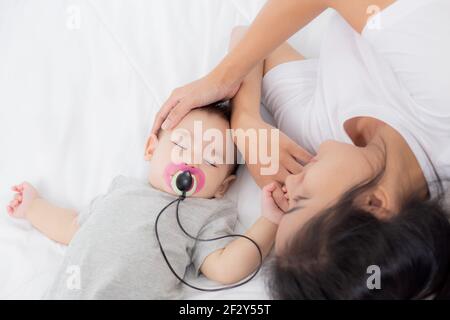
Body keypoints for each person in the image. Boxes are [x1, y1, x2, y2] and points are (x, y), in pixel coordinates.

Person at [152, 0, 450, 299]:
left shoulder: (313, 141)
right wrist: (221, 79)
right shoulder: (440, 107)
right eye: (302, 199)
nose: (289, 183)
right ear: (374, 203)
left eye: (288, 205)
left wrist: (246, 121)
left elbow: (253, 41)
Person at [5, 103, 287, 299]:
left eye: (211, 159)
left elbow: (225, 267)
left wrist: (270, 220)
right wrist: (32, 207)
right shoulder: (122, 190)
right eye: (180, 145)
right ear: (152, 147)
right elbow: (72, 227)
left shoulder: (204, 213)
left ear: (222, 187)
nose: (190, 160)